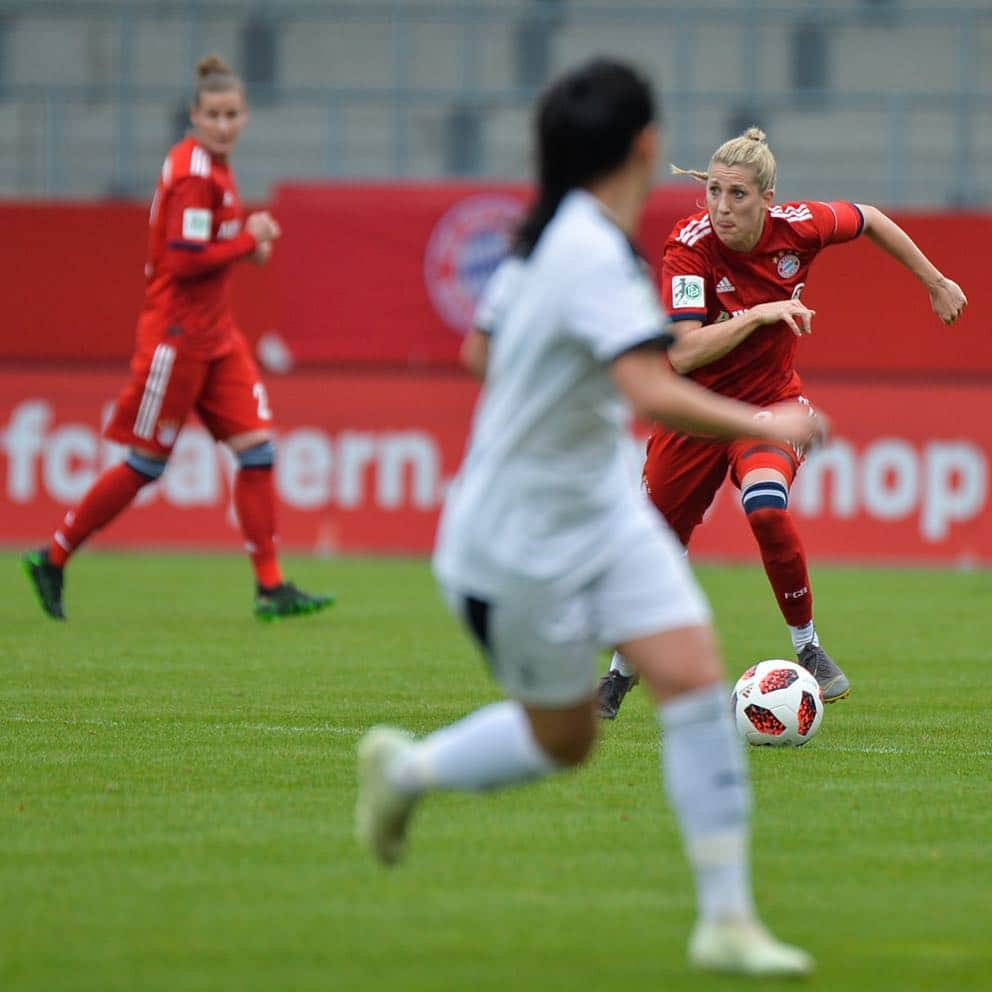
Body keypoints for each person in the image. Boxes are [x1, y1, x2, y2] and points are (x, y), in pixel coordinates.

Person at [355, 59, 828, 977]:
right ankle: (407, 772)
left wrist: (546, 381)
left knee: (692, 672)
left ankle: (726, 919)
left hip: (596, 506)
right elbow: (656, 380)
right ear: (647, 148)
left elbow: (477, 347)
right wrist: (766, 423)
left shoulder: (544, 242)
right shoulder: (588, 255)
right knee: (561, 737)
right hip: (520, 531)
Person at [597, 126, 967, 719]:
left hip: (768, 410)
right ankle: (618, 676)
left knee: (766, 506)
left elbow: (869, 217)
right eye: (713, 191)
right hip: (694, 414)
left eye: (737, 194)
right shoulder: (687, 246)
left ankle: (809, 648)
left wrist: (936, 281)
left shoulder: (799, 227)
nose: (721, 207)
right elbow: (684, 353)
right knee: (657, 547)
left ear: (768, 198)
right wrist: (761, 312)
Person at [21, 55, 333, 623]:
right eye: (212, 114)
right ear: (194, 115)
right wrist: (246, 242)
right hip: (177, 338)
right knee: (146, 464)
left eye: (232, 113)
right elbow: (184, 260)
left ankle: (270, 586)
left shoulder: (214, 168)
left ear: (246, 116)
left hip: (217, 338)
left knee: (258, 453)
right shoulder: (194, 173)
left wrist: (246, 239)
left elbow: (210, 247)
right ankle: (54, 555)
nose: (222, 123)